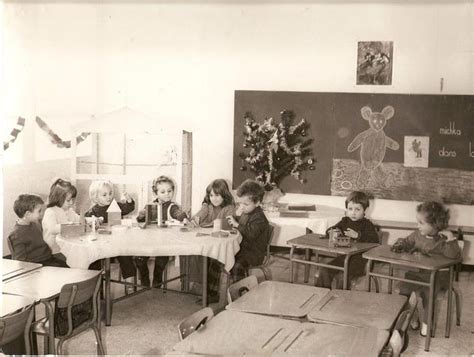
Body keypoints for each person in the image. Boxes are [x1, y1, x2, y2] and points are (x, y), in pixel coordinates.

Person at [395, 201, 461, 337]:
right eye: (417, 222)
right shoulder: (416, 235)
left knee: (428, 294)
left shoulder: (443, 240)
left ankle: (427, 324)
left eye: (421, 223)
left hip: (438, 277)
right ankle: (412, 316)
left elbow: (453, 255)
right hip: (417, 273)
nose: (417, 226)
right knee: (403, 290)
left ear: (435, 225)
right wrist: (401, 244)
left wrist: (450, 238)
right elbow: (406, 243)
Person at [315, 191, 379, 289]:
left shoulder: (367, 225)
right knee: (324, 270)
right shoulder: (344, 221)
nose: (353, 212)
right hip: (343, 259)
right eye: (350, 209)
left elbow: (374, 240)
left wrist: (358, 235)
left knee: (342, 276)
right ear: (346, 210)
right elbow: (330, 230)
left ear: (364, 210)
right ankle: (322, 295)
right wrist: (332, 231)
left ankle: (341, 300)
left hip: (359, 263)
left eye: (357, 209)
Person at [136, 175, 188, 288]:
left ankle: (157, 280)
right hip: (149, 241)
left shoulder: (172, 206)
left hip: (165, 242)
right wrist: (141, 216)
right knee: (139, 259)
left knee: (161, 262)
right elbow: (141, 220)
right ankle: (144, 278)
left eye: (170, 191)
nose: (167, 194)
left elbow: (178, 213)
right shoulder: (150, 206)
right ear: (156, 193)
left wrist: (182, 216)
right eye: (163, 191)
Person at [189, 179, 236, 303]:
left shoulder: (229, 208)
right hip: (207, 240)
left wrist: (206, 224)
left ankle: (212, 292)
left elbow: (223, 225)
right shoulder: (208, 206)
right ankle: (198, 283)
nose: (213, 199)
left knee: (213, 259)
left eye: (217, 195)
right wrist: (195, 220)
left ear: (224, 195)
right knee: (195, 252)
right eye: (211, 195)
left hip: (221, 243)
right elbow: (198, 216)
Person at [85, 180, 136, 286]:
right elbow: (88, 224)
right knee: (93, 261)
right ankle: (95, 286)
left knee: (126, 257)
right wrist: (93, 221)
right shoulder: (92, 211)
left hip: (117, 242)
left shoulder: (116, 205)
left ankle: (130, 282)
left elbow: (129, 208)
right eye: (104, 195)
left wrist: (129, 200)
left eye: (110, 193)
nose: (109, 196)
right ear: (95, 197)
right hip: (100, 244)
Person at [226, 179, 270, 282]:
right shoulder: (247, 212)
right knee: (218, 258)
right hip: (243, 249)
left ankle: (240, 293)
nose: (242, 207)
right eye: (240, 203)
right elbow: (243, 223)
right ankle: (212, 294)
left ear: (257, 203)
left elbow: (251, 234)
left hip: (253, 254)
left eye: (245, 204)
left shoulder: (259, 217)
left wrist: (237, 224)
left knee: (236, 266)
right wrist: (234, 218)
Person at [8, 194, 68, 267]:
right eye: (39, 211)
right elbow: (20, 262)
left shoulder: (35, 224)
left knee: (70, 269)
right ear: (28, 214)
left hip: (48, 258)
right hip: (36, 264)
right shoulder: (16, 235)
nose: (42, 214)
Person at [42, 178, 80, 262]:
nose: (71, 203)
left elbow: (77, 219)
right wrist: (69, 226)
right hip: (54, 251)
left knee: (80, 257)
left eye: (73, 200)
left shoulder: (69, 210)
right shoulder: (50, 211)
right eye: (68, 200)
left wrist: (89, 220)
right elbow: (52, 229)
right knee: (75, 260)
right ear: (57, 198)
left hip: (65, 248)